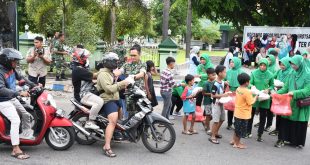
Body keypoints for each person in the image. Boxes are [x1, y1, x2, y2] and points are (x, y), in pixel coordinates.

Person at [0, 48, 37, 160]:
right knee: (16, 120)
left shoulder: (11, 68)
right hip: (2, 100)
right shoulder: (1, 72)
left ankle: (24, 135)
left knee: (25, 114)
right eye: (14, 60)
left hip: (11, 98)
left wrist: (34, 84)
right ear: (7, 60)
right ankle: (15, 148)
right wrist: (19, 93)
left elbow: (22, 78)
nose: (16, 63)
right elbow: (1, 89)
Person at [96, 52, 132, 157]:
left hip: (116, 99)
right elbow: (108, 89)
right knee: (112, 121)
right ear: (109, 62)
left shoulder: (110, 72)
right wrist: (123, 83)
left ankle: (116, 134)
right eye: (115, 61)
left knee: (120, 121)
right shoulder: (103, 74)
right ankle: (107, 146)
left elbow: (117, 83)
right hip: (108, 100)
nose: (117, 63)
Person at [275, 55, 310, 148]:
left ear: (300, 63)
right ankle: (282, 139)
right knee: (285, 120)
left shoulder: (308, 74)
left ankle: (298, 142)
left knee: (299, 121)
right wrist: (277, 94)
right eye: (291, 64)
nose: (292, 66)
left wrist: (294, 93)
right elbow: (286, 87)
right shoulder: (291, 72)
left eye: (294, 64)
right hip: (289, 101)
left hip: (301, 103)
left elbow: (307, 90)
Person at [115, 44, 150, 117]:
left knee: (141, 115)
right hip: (129, 95)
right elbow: (120, 71)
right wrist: (112, 73)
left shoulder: (143, 64)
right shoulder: (126, 64)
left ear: (139, 54)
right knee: (129, 116)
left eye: (134, 55)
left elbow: (142, 73)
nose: (132, 57)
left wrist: (133, 77)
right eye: (131, 55)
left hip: (139, 94)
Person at [72, 54, 103, 130]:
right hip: (82, 95)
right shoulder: (79, 70)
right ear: (80, 60)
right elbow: (94, 75)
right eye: (85, 58)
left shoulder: (79, 69)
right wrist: (105, 71)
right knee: (99, 102)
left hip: (86, 93)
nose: (86, 59)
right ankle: (90, 122)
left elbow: (92, 80)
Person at [247, 58, 274, 141]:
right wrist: (252, 86)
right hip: (255, 96)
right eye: (261, 65)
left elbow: (272, 85)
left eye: (264, 65)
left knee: (263, 117)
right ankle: (248, 132)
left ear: (267, 66)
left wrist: (268, 89)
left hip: (264, 97)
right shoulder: (254, 73)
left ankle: (260, 134)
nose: (262, 67)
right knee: (250, 115)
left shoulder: (270, 75)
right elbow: (250, 83)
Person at [231, 73, 257, 149]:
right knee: (240, 130)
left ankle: (234, 141)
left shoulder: (238, 89)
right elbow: (250, 102)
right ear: (246, 82)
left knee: (237, 128)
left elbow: (244, 93)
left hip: (237, 112)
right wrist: (255, 97)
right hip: (244, 114)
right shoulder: (247, 92)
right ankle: (237, 143)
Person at [269, 57, 293, 136]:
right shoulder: (279, 71)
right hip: (278, 92)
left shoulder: (290, 72)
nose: (282, 66)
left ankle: (281, 130)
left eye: (283, 65)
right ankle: (277, 129)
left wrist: (281, 85)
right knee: (278, 112)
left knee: (283, 113)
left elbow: (287, 85)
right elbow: (272, 77)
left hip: (285, 94)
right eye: (280, 65)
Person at [209, 65, 229, 144]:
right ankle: (212, 136)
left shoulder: (222, 82)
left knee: (222, 119)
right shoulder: (215, 84)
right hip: (216, 104)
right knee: (216, 121)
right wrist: (223, 95)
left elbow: (222, 91)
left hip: (221, 103)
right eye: (224, 72)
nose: (225, 73)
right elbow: (213, 95)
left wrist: (226, 86)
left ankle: (215, 132)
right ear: (220, 73)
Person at [225, 57, 244, 130]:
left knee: (237, 108)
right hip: (230, 91)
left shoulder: (241, 72)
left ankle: (236, 123)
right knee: (230, 108)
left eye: (233, 62)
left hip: (238, 92)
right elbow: (224, 79)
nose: (231, 63)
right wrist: (226, 82)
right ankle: (229, 123)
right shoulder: (228, 71)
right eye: (230, 62)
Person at [202, 68, 216, 134]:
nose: (214, 76)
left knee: (211, 115)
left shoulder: (215, 82)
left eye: (215, 75)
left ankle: (205, 122)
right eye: (212, 75)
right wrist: (211, 94)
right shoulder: (206, 83)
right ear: (208, 75)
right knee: (208, 115)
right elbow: (203, 93)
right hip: (207, 102)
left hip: (213, 101)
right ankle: (208, 128)